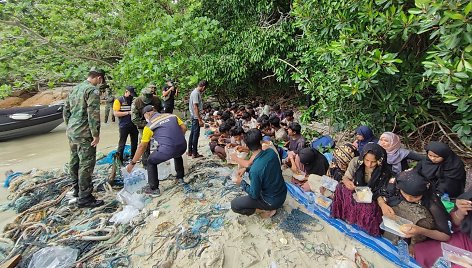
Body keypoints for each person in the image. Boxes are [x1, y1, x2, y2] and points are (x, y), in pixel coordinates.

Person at [377, 170, 451, 250]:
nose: (409, 199)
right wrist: (382, 205)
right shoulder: (396, 186)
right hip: (393, 227)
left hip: (417, 237)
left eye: (415, 197)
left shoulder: (432, 203)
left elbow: (445, 236)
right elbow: (380, 195)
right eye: (405, 194)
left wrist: (420, 230)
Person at [63, 67, 104, 208]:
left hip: (72, 131)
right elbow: (93, 115)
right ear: (99, 78)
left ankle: (77, 190)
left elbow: (65, 110)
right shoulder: (92, 90)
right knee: (86, 164)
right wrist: (96, 134)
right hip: (85, 133)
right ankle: (85, 197)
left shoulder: (75, 89)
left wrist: (69, 127)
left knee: (74, 160)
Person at [330, 143, 391, 236]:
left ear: (379, 160)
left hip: (373, 196)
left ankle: (366, 227)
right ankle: (346, 215)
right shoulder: (356, 162)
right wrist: (347, 181)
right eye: (366, 160)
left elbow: (381, 191)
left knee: (370, 208)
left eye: (373, 162)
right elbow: (346, 177)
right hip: (356, 189)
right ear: (363, 157)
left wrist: (382, 204)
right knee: (340, 188)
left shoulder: (384, 171)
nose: (369, 164)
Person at [126, 105, 187, 195]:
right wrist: (176, 138)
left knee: (150, 161)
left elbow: (142, 147)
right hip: (182, 146)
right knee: (176, 153)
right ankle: (180, 178)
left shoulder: (149, 126)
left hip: (168, 149)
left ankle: (153, 188)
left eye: (144, 116)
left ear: (147, 114)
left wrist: (132, 163)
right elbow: (184, 128)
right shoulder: (172, 116)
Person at [231, 129, 287, 218]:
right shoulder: (271, 152)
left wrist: (241, 182)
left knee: (234, 205)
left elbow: (254, 194)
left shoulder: (255, 171)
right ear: (261, 141)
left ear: (247, 146)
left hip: (271, 202)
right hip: (282, 194)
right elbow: (263, 168)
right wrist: (246, 169)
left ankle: (266, 209)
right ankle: (269, 206)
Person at [414, 190, 472, 267]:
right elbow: (452, 225)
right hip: (461, 239)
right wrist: (460, 212)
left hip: (468, 254)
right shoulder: (469, 198)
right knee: (420, 252)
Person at [131, 87, 162, 167]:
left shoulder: (156, 100)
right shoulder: (136, 102)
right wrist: (147, 124)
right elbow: (134, 119)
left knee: (162, 139)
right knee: (144, 143)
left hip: (157, 123)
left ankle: (161, 158)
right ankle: (145, 163)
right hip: (143, 125)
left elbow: (162, 111)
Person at [113, 86, 139, 164]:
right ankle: (120, 160)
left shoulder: (135, 100)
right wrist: (128, 113)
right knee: (122, 143)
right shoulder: (119, 100)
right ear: (126, 91)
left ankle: (133, 158)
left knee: (134, 142)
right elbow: (116, 113)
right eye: (130, 94)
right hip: (124, 125)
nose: (131, 96)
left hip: (134, 125)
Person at [188, 80, 208, 158]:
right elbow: (195, 106)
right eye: (205, 89)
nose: (204, 90)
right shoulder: (196, 93)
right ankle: (194, 153)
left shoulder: (195, 92)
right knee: (195, 135)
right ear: (203, 87)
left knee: (192, 134)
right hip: (196, 117)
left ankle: (190, 151)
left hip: (194, 116)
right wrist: (199, 119)